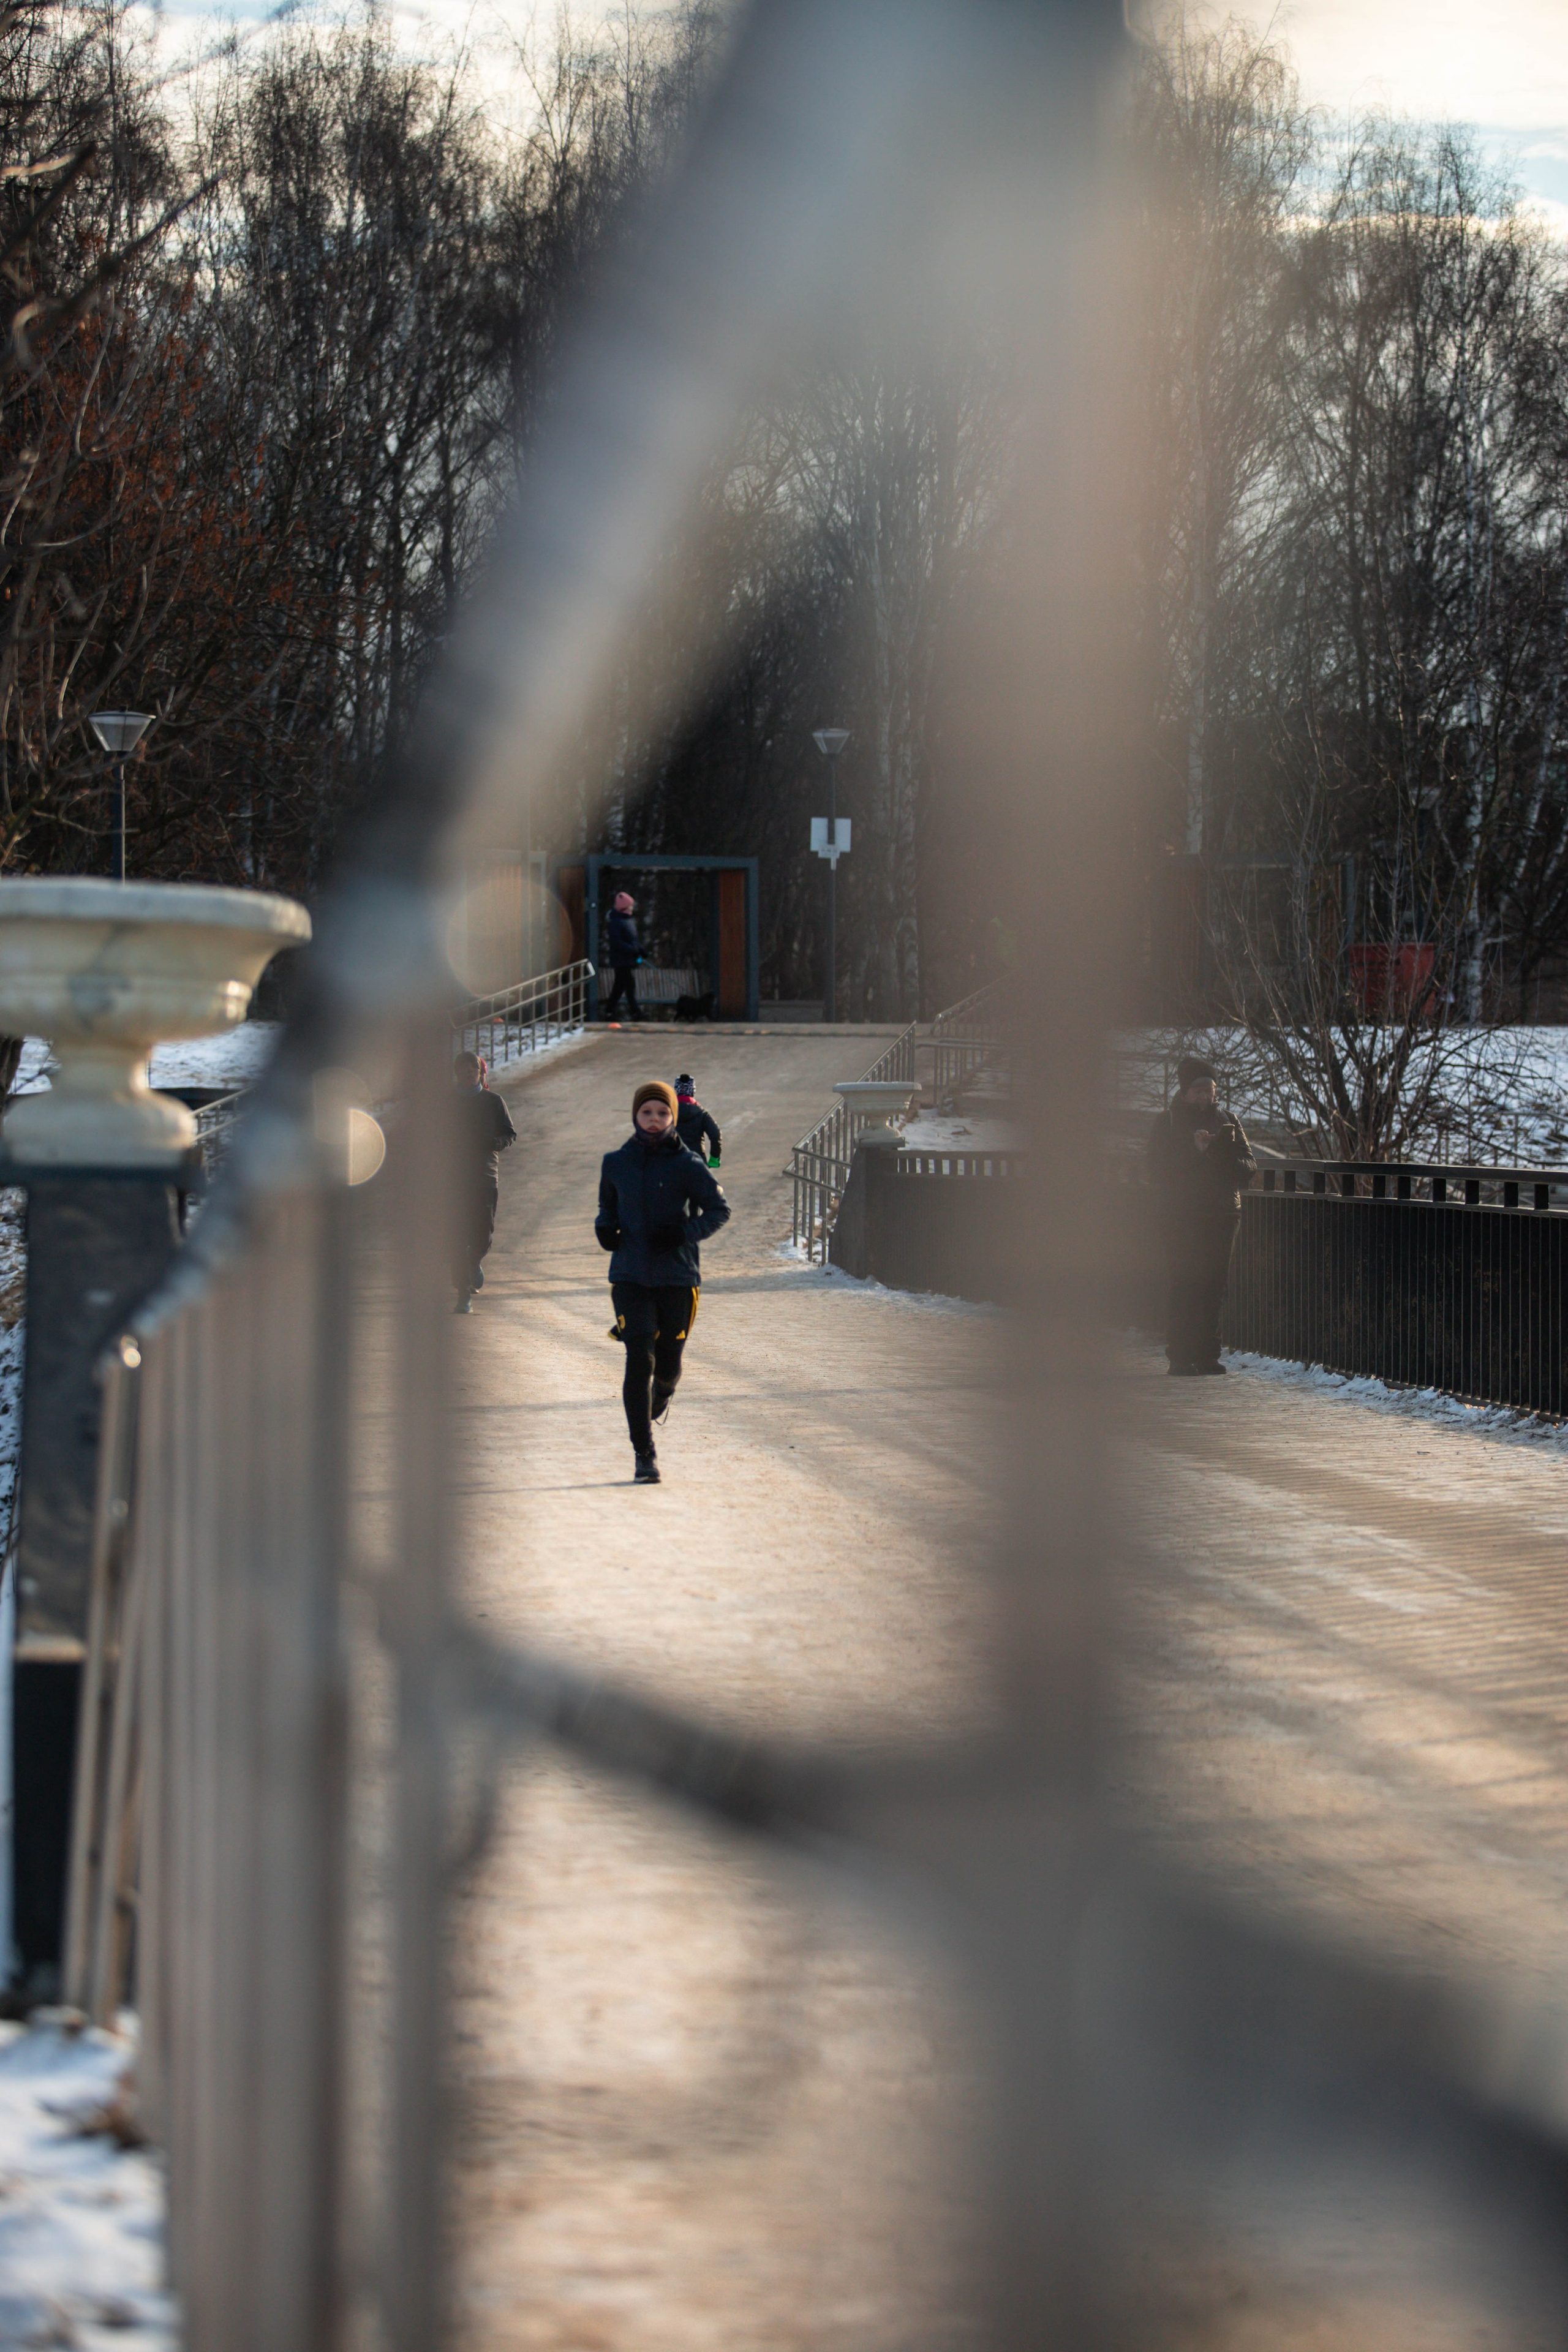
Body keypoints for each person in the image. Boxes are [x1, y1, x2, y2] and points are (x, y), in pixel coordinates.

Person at [596, 1079, 730, 1483]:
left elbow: (719, 1210)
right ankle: (644, 1455)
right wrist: (605, 1228)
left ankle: (665, 1390)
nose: (654, 1120)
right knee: (640, 1358)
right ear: (635, 1116)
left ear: (673, 1116)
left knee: (668, 1364)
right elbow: (607, 1208)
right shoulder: (615, 1163)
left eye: (662, 1112)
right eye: (646, 1112)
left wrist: (684, 1233)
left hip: (678, 1276)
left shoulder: (688, 1164)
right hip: (630, 1275)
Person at [1147, 1055, 1255, 1376]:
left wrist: (1216, 1151)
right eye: (1199, 1091)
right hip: (1180, 1216)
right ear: (1185, 1091)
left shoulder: (1229, 1121)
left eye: (1210, 1090)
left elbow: (1249, 1167)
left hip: (1223, 1214)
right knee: (1185, 1284)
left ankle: (1208, 1355)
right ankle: (1180, 1357)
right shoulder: (1167, 1122)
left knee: (1214, 1286)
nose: (1206, 1097)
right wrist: (1193, 1151)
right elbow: (1155, 1169)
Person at [451, 1050, 518, 1313]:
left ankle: (474, 1262)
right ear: (457, 1073)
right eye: (464, 1070)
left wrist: (495, 1143)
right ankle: (463, 1294)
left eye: (473, 1070)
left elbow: (509, 1133)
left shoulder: (493, 1102)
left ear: (480, 1073)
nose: (469, 1074)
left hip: (484, 1177)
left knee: (482, 1234)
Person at [604, 889, 641, 1022]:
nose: (632, 908)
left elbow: (633, 940)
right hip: (621, 960)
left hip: (628, 959)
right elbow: (616, 942)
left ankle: (609, 1011)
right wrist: (632, 950)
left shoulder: (628, 921)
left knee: (620, 987)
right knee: (629, 985)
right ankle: (635, 1012)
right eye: (630, 905)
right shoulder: (616, 922)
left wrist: (640, 950)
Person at [673, 1072, 720, 1166]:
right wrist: (714, 1159)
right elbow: (715, 1135)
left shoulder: (665, 1113)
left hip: (672, 1162)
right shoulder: (702, 1114)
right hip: (697, 1162)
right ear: (693, 1091)